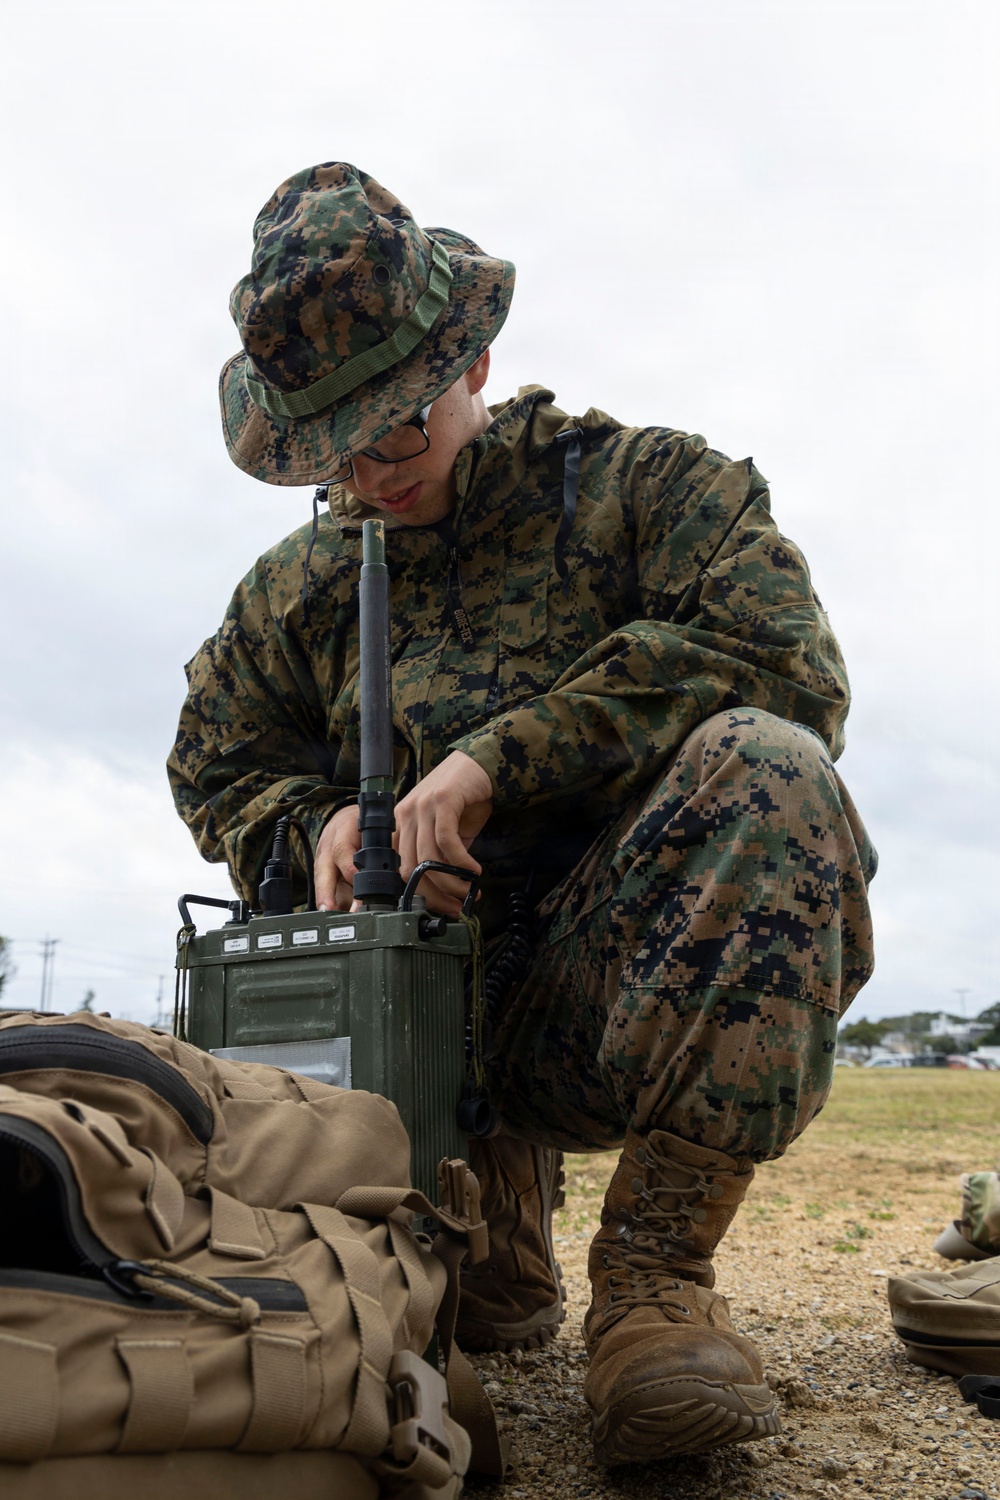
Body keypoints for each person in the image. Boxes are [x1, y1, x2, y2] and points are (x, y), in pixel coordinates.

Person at [168, 162, 877, 1464]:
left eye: (399, 425)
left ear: (477, 361)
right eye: (335, 443)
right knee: (481, 1329)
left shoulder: (641, 491)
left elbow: (790, 667)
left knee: (772, 769)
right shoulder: (297, 594)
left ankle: (657, 1282)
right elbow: (214, 758)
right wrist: (313, 828)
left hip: (610, 997)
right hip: (419, 1034)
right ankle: (474, 1225)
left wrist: (503, 759)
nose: (371, 471)